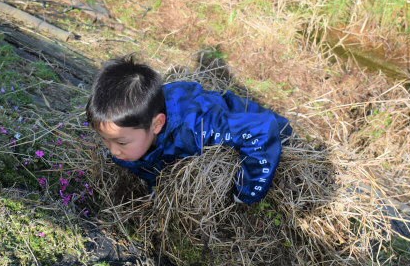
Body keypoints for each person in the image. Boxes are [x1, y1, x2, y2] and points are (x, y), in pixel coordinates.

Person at [85, 56, 293, 205]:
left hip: (274, 132)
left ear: (157, 125)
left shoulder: (198, 128)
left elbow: (261, 129)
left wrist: (247, 192)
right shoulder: (133, 132)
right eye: (105, 140)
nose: (113, 150)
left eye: (120, 142)